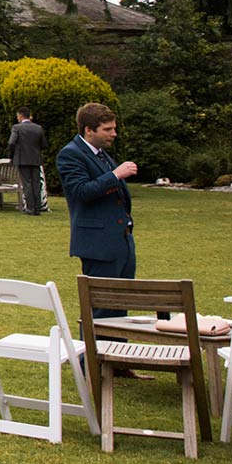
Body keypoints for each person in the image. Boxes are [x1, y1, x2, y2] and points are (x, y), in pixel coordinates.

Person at [58, 102, 137, 309]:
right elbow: (81, 191)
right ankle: (95, 343)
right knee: (101, 310)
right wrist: (115, 175)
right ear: (89, 130)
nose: (114, 134)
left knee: (120, 308)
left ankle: (116, 343)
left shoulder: (101, 154)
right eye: (107, 129)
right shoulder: (71, 154)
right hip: (98, 245)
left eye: (114, 128)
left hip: (121, 242)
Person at [8, 106, 47, 215]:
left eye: (17, 116)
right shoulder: (38, 128)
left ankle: (30, 208)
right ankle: (38, 207)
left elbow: (11, 143)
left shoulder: (17, 128)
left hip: (22, 159)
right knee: (36, 183)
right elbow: (44, 144)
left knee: (27, 183)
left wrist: (11, 156)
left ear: (20, 115)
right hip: (35, 159)